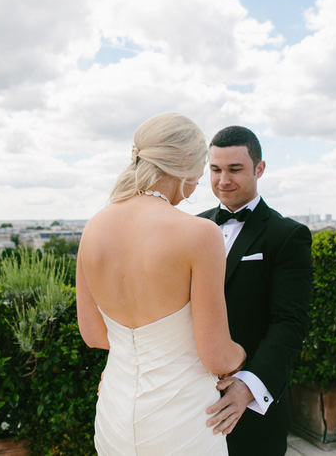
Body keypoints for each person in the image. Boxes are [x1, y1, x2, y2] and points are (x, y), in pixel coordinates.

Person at [76, 112, 246, 455]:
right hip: (182, 419)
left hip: (115, 411)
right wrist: (242, 356)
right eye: (199, 171)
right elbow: (215, 355)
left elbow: (93, 335)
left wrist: (136, 358)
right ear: (184, 163)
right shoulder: (200, 233)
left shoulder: (93, 228)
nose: (197, 183)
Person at [199, 126, 313, 456]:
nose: (223, 181)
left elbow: (289, 323)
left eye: (235, 169)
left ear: (259, 169)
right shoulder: (192, 227)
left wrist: (249, 386)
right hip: (191, 399)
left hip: (253, 409)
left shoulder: (288, 235)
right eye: (216, 169)